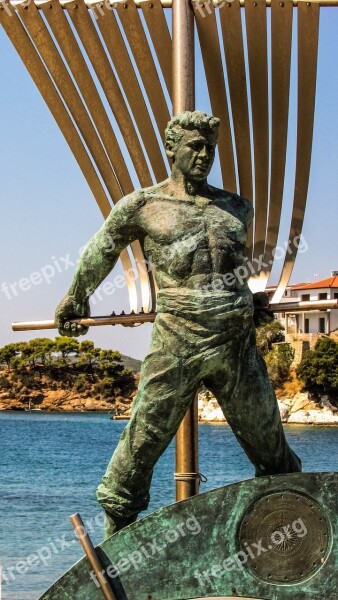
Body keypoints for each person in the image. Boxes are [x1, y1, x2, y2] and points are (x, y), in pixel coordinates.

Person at [55, 111, 301, 538]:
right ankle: (115, 550)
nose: (204, 155)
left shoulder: (236, 207)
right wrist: (77, 296)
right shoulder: (144, 206)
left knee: (272, 449)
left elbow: (233, 269)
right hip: (177, 339)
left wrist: (251, 299)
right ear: (172, 149)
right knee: (141, 443)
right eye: (195, 146)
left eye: (210, 148)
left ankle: (286, 543)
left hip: (236, 343)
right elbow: (100, 251)